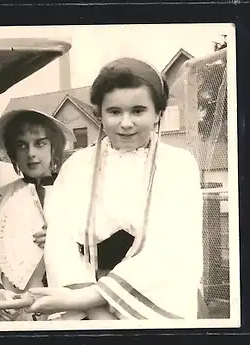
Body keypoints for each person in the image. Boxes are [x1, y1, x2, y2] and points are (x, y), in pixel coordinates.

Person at [26, 57, 204, 320]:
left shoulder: (178, 165)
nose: (126, 123)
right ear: (99, 114)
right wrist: (88, 306)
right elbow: (59, 238)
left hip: (150, 301)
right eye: (114, 112)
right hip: (82, 302)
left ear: (158, 113)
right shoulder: (77, 166)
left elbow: (169, 248)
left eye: (138, 110)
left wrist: (94, 297)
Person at [0, 109, 76, 321]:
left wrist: (66, 238)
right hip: (16, 306)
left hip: (71, 305)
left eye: (40, 143)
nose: (31, 153)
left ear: (54, 147)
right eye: (22, 145)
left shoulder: (77, 192)